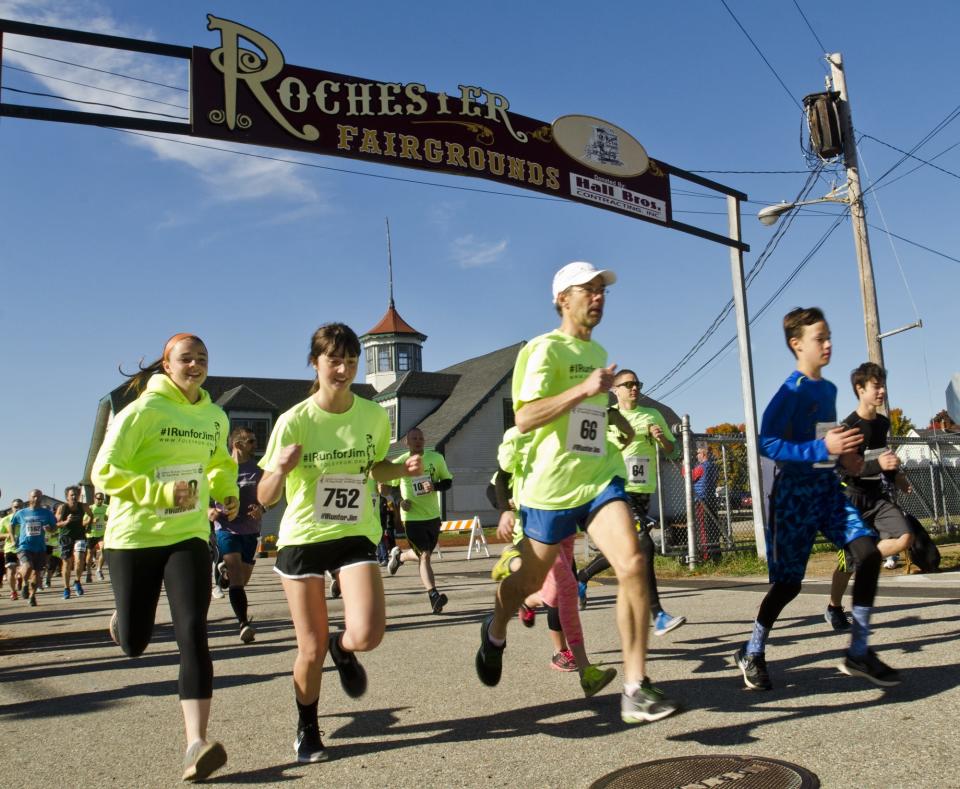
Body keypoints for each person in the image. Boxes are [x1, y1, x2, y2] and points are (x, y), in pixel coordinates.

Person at [475, 260, 680, 724]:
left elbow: (591, 408)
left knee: (632, 561)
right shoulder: (542, 350)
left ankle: (634, 686)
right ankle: (496, 628)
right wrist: (585, 388)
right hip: (551, 486)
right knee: (528, 583)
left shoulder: (600, 350)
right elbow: (526, 416)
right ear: (562, 299)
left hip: (599, 476)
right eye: (587, 290)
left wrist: (615, 417)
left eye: (601, 290)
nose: (598, 297)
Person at [257, 323, 423, 765]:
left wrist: (401, 471)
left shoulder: (371, 415)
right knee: (308, 649)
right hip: (305, 538)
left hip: (353, 532)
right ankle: (307, 726)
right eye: (334, 360)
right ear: (315, 362)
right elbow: (265, 496)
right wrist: (279, 469)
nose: (344, 369)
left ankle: (343, 648)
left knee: (368, 634)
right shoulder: (294, 421)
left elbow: (374, 469)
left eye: (351, 361)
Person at [92, 333, 239, 782]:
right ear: (166, 364)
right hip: (133, 536)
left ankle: (196, 743)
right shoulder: (141, 412)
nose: (194, 365)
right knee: (135, 643)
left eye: (202, 358)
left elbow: (218, 463)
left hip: (187, 535)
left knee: (193, 631)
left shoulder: (214, 416)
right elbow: (103, 472)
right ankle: (124, 619)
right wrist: (155, 491)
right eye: (185, 358)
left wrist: (228, 492)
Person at [732, 307, 900, 692]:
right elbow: (767, 442)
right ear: (796, 344)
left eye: (828, 337)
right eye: (819, 338)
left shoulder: (829, 390)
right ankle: (754, 650)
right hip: (794, 496)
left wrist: (845, 456)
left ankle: (858, 651)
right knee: (788, 585)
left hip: (827, 491)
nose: (827, 344)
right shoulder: (790, 391)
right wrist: (821, 446)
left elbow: (827, 441)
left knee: (869, 553)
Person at [577, 369, 686, 636]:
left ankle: (581, 577)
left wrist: (661, 439)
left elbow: (676, 451)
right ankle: (657, 613)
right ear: (615, 390)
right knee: (644, 544)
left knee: (623, 549)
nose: (634, 388)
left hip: (642, 491)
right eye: (628, 384)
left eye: (637, 383)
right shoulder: (607, 417)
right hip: (616, 491)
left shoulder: (653, 415)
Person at [825, 363, 914, 630]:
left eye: (883, 385)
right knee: (847, 564)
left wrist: (896, 476)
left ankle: (866, 555)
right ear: (860, 389)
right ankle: (834, 607)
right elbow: (843, 469)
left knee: (905, 536)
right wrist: (879, 467)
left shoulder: (883, 423)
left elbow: (882, 459)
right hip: (850, 499)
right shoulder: (848, 428)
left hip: (876, 497)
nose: (882, 391)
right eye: (876, 386)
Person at [386, 428, 454, 614]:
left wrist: (435, 485)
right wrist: (400, 501)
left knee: (423, 555)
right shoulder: (400, 463)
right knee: (425, 555)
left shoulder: (436, 458)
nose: (418, 441)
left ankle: (399, 557)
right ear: (407, 442)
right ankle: (433, 595)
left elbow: (448, 481)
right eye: (414, 438)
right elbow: (388, 488)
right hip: (412, 517)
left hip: (432, 515)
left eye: (420, 438)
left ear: (424, 440)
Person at [212, 426, 265, 643]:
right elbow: (203, 492)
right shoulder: (220, 468)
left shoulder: (259, 470)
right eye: (251, 441)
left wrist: (263, 508)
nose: (255, 445)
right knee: (236, 574)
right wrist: (208, 511)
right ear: (237, 445)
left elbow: (272, 496)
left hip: (250, 531)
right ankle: (243, 623)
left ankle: (224, 573)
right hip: (226, 528)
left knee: (241, 580)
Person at [11, 489, 57, 607]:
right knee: (28, 566)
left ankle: (32, 596)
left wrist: (49, 529)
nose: (36, 499)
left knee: (36, 573)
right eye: (34, 497)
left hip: (40, 547)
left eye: (39, 497)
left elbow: (54, 528)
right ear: (29, 497)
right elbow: (12, 524)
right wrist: (12, 539)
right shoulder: (21, 513)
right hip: (24, 546)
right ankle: (25, 582)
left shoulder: (47, 513)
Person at [55, 486, 92, 598]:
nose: (74, 497)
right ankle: (66, 588)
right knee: (67, 562)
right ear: (67, 497)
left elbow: (91, 515)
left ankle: (77, 581)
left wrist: (88, 525)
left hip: (79, 536)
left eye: (76, 494)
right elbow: (56, 524)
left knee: (80, 559)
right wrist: (66, 521)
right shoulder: (62, 508)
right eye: (72, 495)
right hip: (66, 536)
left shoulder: (83, 506)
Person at [1, 498, 24, 599]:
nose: (18, 509)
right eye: (15, 507)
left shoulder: (26, 519)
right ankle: (13, 591)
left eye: (20, 507)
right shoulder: (5, 519)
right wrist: (10, 535)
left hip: (25, 547)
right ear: (11, 508)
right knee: (10, 570)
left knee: (25, 569)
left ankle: (20, 579)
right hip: (10, 548)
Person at [85, 492, 109, 582]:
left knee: (104, 549)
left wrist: (107, 521)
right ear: (94, 499)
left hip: (102, 533)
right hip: (91, 534)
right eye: (98, 499)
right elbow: (83, 523)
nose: (100, 501)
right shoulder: (90, 508)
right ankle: (88, 572)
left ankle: (99, 570)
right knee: (90, 554)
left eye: (102, 499)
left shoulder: (106, 507)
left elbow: (107, 517)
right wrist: (92, 521)